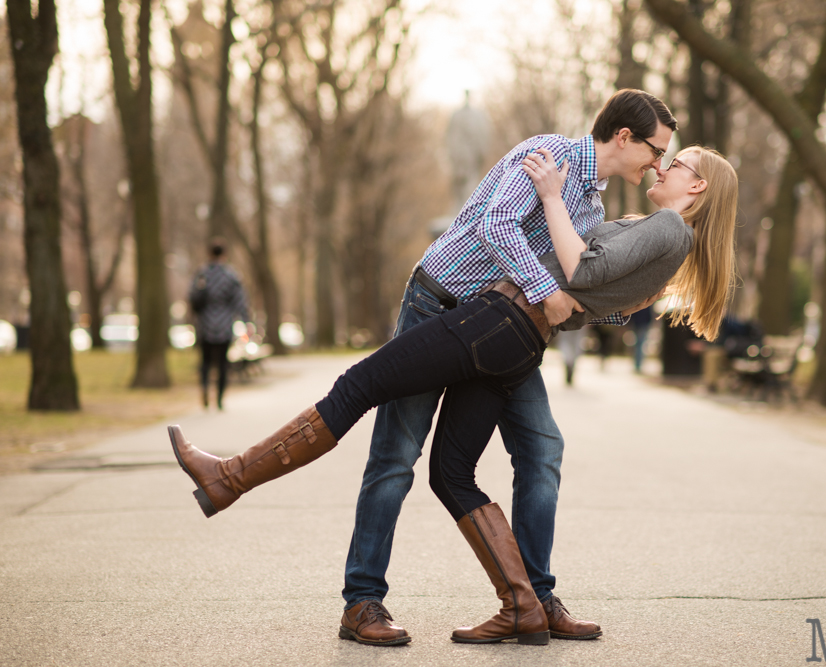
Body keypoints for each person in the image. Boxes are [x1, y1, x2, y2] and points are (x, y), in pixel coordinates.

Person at [168, 144, 739, 645]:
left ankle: (232, 476)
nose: (661, 164)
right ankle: (523, 605)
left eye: (676, 161)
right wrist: (574, 301)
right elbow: (605, 300)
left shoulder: (666, 228)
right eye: (660, 152)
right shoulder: (661, 234)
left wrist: (552, 201)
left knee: (361, 385)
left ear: (698, 186)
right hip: (518, 339)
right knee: (451, 472)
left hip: (495, 321)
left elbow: (584, 269)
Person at [336, 88, 677, 645]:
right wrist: (549, 290)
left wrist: (623, 312)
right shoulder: (546, 154)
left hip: (502, 335)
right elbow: (498, 226)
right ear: (623, 137)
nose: (657, 163)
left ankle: (536, 600)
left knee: (542, 449)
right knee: (396, 457)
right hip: (437, 308)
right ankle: (362, 602)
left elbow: (576, 292)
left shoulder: (590, 207)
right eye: (656, 150)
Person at [188, 238, 250, 410]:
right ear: (224, 254)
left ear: (209, 253)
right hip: (224, 325)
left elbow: (192, 298)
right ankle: (220, 398)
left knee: (205, 362)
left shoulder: (202, 274)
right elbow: (240, 301)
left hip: (205, 325)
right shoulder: (231, 275)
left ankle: (205, 388)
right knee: (223, 363)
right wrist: (247, 322)